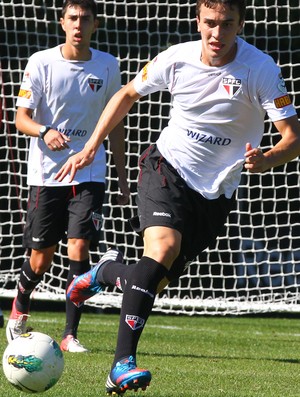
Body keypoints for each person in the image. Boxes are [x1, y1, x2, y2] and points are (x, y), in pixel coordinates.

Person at [56, 0, 300, 393]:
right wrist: (91, 147)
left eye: (226, 24)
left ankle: (104, 272)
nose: (216, 34)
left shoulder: (262, 69)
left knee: (153, 281)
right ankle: (120, 366)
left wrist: (267, 158)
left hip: (215, 191)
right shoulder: (176, 58)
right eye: (209, 24)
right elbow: (126, 95)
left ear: (241, 23)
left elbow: (292, 139)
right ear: (197, 20)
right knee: (162, 248)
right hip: (166, 168)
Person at [6, 0, 130, 353]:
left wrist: (121, 177)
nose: (78, 24)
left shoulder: (108, 66)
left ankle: (70, 334)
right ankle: (20, 308)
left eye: (85, 19)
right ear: (62, 23)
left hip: (90, 170)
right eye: (72, 18)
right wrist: (44, 131)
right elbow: (21, 118)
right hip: (47, 173)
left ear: (95, 24)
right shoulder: (41, 62)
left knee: (79, 246)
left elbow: (115, 123)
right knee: (41, 258)